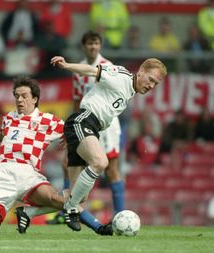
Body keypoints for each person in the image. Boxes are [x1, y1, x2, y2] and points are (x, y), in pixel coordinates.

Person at [0, 76, 112, 235]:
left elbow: (75, 129)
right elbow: (0, 134)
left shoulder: (48, 121)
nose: (19, 100)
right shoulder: (9, 118)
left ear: (35, 99)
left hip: (29, 175)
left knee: (63, 200)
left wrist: (74, 143)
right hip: (2, 174)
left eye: (24, 96)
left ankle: (98, 227)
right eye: (16, 96)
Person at [50, 55, 167, 231]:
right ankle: (70, 209)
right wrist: (66, 66)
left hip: (91, 128)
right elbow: (92, 70)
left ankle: (29, 212)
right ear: (141, 71)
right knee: (101, 162)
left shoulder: (130, 90)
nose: (151, 86)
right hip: (83, 120)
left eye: (155, 84)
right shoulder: (121, 76)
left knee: (78, 195)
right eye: (150, 79)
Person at [72, 31, 125, 215]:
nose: (93, 47)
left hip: (106, 125)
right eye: (89, 43)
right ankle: (72, 212)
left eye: (96, 43)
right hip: (85, 122)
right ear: (83, 46)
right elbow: (77, 98)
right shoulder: (77, 69)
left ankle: (119, 214)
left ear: (100, 46)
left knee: (111, 170)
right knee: (72, 166)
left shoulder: (108, 66)